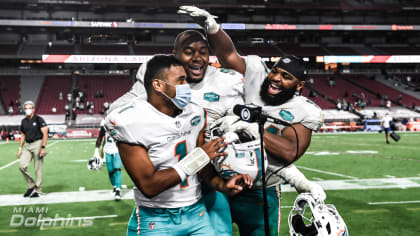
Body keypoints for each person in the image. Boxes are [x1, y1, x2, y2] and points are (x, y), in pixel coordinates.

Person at [178, 6, 325, 235]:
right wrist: (213, 27)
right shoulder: (256, 72)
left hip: (261, 188)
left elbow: (289, 152)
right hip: (219, 179)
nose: (276, 79)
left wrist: (253, 129)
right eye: (275, 72)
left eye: (286, 77)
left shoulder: (304, 111)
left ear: (299, 85)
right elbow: (228, 55)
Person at [109, 30, 245, 236]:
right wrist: (200, 156)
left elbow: (204, 169)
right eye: (181, 81)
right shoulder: (130, 121)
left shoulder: (195, 112)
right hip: (156, 219)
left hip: (197, 213)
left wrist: (223, 185)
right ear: (158, 85)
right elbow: (149, 186)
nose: (186, 86)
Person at [17, 101, 48, 198]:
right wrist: (20, 148)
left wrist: (43, 147)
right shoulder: (23, 121)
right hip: (28, 145)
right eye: (26, 108)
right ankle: (31, 186)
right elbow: (22, 135)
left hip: (38, 143)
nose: (27, 110)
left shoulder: (39, 119)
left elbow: (45, 133)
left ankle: (38, 190)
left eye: (29, 108)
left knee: (37, 168)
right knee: (22, 166)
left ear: (33, 109)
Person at [90, 119, 123, 201]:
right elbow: (100, 137)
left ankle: (118, 190)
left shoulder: (120, 126)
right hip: (107, 150)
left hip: (117, 150)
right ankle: (115, 186)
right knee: (111, 171)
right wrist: (96, 151)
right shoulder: (104, 126)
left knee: (117, 169)